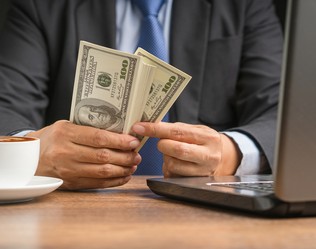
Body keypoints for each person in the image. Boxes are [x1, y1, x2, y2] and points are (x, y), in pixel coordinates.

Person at [0, 0, 283, 190]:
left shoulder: (246, 5)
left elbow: (283, 111)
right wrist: (34, 153)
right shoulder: (40, 5)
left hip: (205, 210)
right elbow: (5, 104)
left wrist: (230, 154)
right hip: (77, 207)